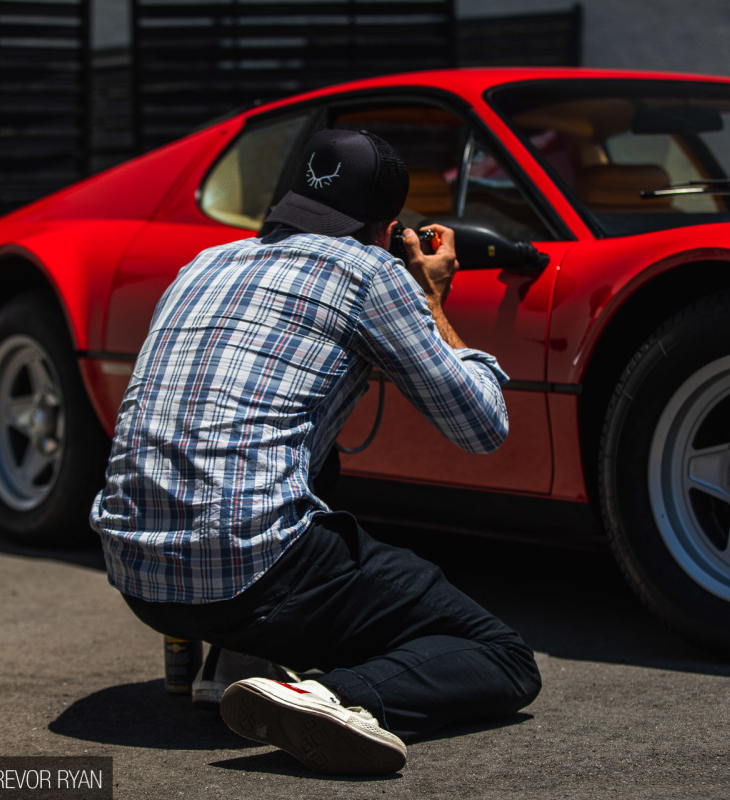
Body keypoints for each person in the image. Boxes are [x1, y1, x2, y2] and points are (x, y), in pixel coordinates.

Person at [89, 129, 541, 775]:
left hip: (134, 570)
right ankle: (327, 698)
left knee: (291, 458)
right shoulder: (371, 272)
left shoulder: (206, 262)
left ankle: (220, 659)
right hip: (247, 578)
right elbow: (481, 427)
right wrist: (430, 296)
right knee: (499, 655)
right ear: (387, 228)